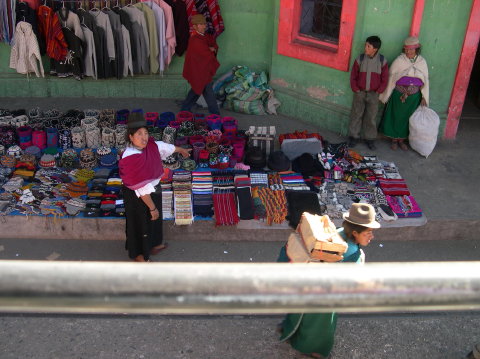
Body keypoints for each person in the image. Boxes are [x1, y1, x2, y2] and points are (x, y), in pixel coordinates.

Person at [278, 203, 380, 358]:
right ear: (355, 232)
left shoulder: (336, 233)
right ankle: (314, 351)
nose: (372, 236)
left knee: (299, 314)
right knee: (319, 327)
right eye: (368, 233)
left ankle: (289, 331)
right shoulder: (352, 254)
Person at [119, 112, 191, 262]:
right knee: (140, 224)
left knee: (155, 221)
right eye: (139, 134)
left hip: (153, 189)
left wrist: (181, 150)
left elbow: (163, 147)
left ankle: (153, 244)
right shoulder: (130, 157)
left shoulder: (150, 146)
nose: (144, 137)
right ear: (130, 137)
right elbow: (140, 187)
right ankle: (139, 254)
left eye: (145, 133)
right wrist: (152, 207)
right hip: (138, 197)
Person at [379, 36, 429, 151]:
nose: (408, 51)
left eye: (411, 49)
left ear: (417, 49)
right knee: (396, 116)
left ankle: (402, 140)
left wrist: (424, 97)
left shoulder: (422, 62)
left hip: (414, 97)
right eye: (406, 49)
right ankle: (394, 140)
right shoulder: (399, 61)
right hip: (398, 94)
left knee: (408, 118)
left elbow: (425, 81)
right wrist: (388, 93)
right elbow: (391, 77)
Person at [348, 35, 389, 151]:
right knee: (356, 114)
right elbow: (353, 76)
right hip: (360, 92)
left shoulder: (382, 61)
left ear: (375, 49)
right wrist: (355, 88)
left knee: (371, 117)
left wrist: (379, 91)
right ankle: (353, 137)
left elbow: (385, 78)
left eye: (368, 46)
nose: (365, 48)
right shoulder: (360, 59)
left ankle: (369, 139)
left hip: (374, 94)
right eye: (365, 45)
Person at [181, 14, 220, 115]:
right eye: (201, 24)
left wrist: (212, 49)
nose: (204, 26)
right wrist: (211, 49)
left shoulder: (205, 36)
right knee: (206, 90)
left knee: (196, 89)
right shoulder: (194, 40)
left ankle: (185, 109)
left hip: (203, 70)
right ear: (195, 26)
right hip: (198, 70)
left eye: (204, 24)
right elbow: (205, 53)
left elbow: (214, 45)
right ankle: (215, 114)